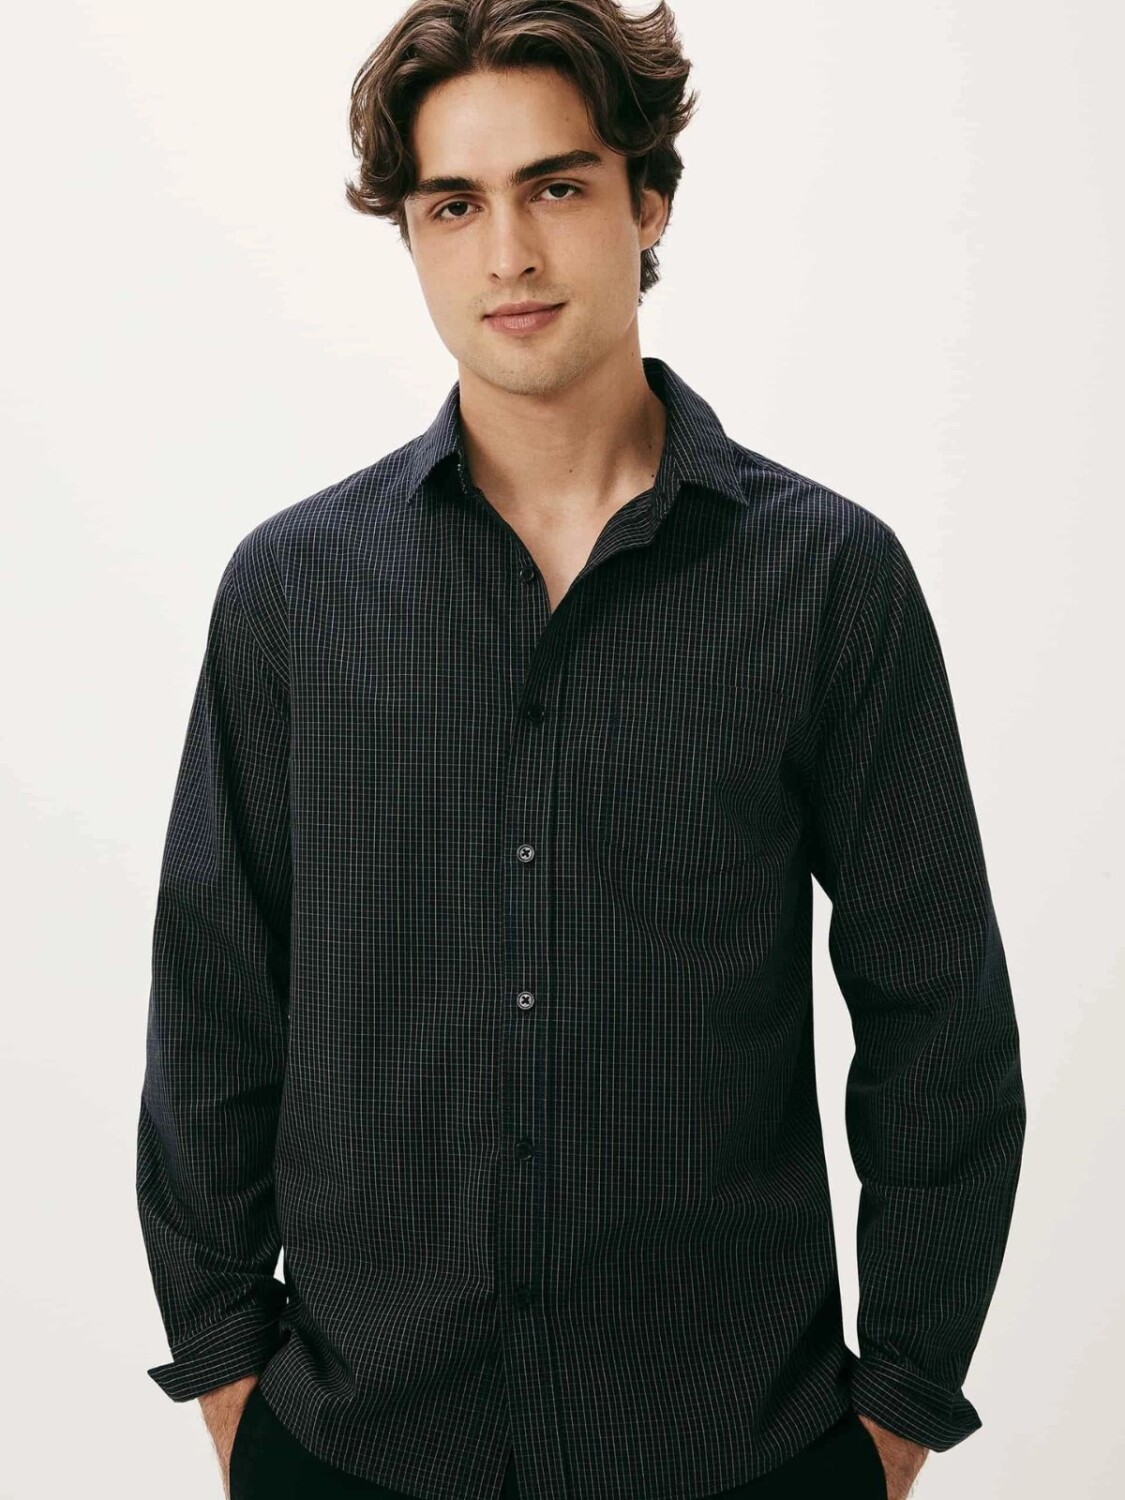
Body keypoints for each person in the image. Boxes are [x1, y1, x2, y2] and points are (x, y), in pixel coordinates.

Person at [135, 3, 1027, 1498]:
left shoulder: (826, 582)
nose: (508, 254)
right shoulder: (296, 592)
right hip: (359, 1447)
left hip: (738, 1448)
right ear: (411, 236)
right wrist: (231, 1378)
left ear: (647, 200)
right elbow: (216, 1002)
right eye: (453, 205)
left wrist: (898, 1410)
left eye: (555, 187)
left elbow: (937, 1017)